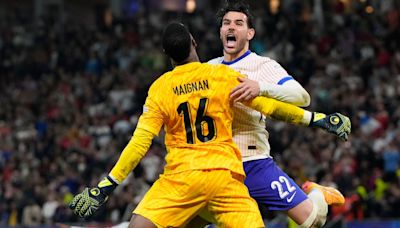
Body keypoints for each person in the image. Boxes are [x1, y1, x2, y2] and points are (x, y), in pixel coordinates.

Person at [69, 22, 350, 228]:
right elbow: (270, 106)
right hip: (224, 176)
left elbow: (140, 143)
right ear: (194, 41)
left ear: (165, 52)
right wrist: (318, 119)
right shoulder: (220, 75)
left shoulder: (160, 89)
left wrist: (105, 186)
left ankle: (314, 193)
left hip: (183, 180)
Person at [203, 1, 346, 227]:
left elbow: (302, 97)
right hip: (216, 165)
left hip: (253, 162)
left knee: (313, 221)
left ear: (250, 33)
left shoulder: (262, 65)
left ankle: (316, 192)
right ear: (221, 31)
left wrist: (261, 87)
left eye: (238, 23)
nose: (231, 27)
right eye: (226, 23)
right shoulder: (208, 68)